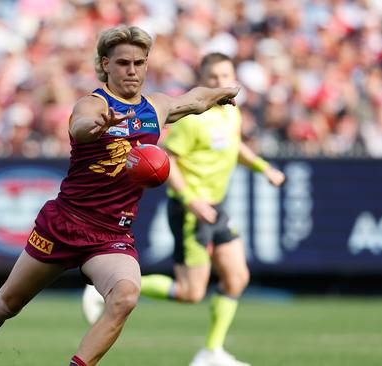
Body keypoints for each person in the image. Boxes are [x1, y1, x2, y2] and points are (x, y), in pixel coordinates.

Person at [0, 26, 239, 366]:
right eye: (123, 63)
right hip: (65, 224)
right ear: (106, 64)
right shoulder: (93, 104)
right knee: (5, 305)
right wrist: (98, 126)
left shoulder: (155, 107)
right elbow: (79, 127)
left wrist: (222, 92)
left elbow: (193, 99)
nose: (132, 70)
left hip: (111, 235)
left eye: (139, 63)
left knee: (127, 296)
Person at [82, 53, 285, 366]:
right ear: (204, 81)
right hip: (192, 209)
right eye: (213, 78)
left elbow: (234, 144)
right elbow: (167, 160)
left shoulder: (231, 111)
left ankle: (211, 353)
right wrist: (191, 200)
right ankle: (103, 290)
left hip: (215, 207)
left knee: (236, 278)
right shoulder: (195, 119)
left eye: (225, 76)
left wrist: (263, 167)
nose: (221, 83)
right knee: (192, 292)